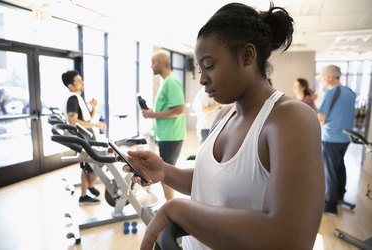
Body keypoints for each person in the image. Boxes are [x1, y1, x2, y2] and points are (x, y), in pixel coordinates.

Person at [123, 3, 324, 249]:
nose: (203, 79)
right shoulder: (223, 116)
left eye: (209, 65)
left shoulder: (291, 118)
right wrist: (165, 171)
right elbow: (216, 181)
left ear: (247, 56)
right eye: (200, 69)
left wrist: (178, 209)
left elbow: (291, 238)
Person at [140, 50, 186, 201]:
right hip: (165, 134)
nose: (151, 66)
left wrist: (153, 114)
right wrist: (153, 112)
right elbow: (167, 109)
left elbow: (179, 109)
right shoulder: (165, 82)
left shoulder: (171, 82)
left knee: (167, 174)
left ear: (160, 62)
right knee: (165, 172)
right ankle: (170, 204)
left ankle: (171, 206)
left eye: (152, 63)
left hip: (171, 135)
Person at [61, 70, 107, 205]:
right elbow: (73, 121)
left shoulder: (77, 98)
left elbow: (87, 118)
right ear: (70, 86)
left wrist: (94, 107)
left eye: (82, 80)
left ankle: (86, 191)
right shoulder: (73, 99)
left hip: (86, 137)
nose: (82, 83)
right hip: (83, 138)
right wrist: (96, 124)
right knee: (100, 163)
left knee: (87, 166)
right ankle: (86, 191)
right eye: (78, 81)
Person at [317, 65, 356, 216]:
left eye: (322, 76)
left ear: (329, 77)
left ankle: (330, 205)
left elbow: (321, 118)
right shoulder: (350, 92)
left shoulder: (331, 92)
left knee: (330, 171)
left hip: (331, 138)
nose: (321, 79)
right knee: (340, 166)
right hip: (346, 138)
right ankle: (340, 196)